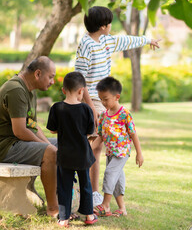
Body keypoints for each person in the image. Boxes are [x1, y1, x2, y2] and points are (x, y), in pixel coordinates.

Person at [74, 5, 160, 206]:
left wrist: (147, 40)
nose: (112, 25)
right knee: (94, 147)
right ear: (103, 26)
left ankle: (95, 193)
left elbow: (126, 41)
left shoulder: (106, 40)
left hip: (104, 102)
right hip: (92, 101)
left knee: (99, 146)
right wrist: (91, 107)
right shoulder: (86, 44)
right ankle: (92, 192)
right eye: (110, 22)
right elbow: (80, 80)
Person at [0, 56, 58, 217]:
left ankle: (64, 199)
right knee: (50, 152)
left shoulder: (30, 91)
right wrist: (47, 147)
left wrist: (48, 143)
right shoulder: (16, 90)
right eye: (51, 77)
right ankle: (53, 209)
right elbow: (20, 131)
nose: (52, 81)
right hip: (5, 146)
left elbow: (32, 126)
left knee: (62, 145)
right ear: (38, 74)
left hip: (17, 142)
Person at [46, 72, 98, 227]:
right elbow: (90, 132)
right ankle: (89, 216)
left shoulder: (56, 108)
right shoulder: (86, 109)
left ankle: (64, 218)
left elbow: (53, 130)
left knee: (64, 186)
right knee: (86, 185)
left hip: (65, 156)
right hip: (83, 155)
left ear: (63, 90)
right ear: (81, 91)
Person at [93, 76, 144, 217]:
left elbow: (133, 134)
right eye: (100, 99)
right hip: (110, 152)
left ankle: (105, 205)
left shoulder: (124, 114)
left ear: (117, 97)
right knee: (116, 179)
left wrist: (139, 153)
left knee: (110, 173)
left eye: (106, 99)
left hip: (122, 152)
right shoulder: (103, 115)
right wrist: (89, 150)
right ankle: (122, 208)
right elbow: (101, 137)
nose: (103, 102)